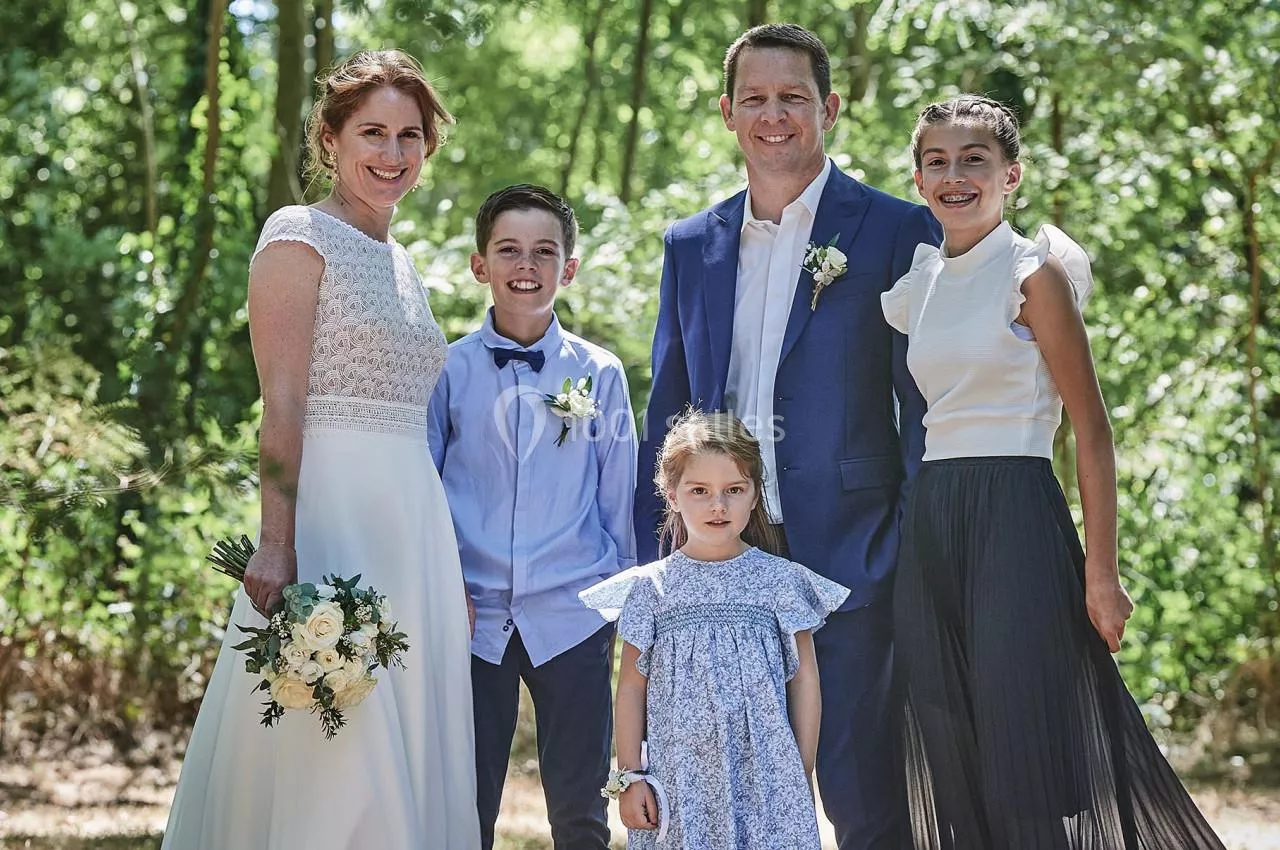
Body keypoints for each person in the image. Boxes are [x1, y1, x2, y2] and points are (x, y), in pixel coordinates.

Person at [883, 94, 1226, 849]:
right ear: (918, 179)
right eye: (937, 162)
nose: (955, 176)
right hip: (933, 516)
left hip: (1015, 512)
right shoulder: (921, 281)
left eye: (974, 160)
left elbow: (1092, 430)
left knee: (1022, 749)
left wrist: (1101, 574)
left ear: (1012, 175)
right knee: (951, 738)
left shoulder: (1033, 275)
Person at [162, 50, 480, 850]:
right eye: (373, 132)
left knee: (404, 729)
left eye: (410, 135)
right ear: (329, 139)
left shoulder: (405, 264)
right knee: (333, 738)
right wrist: (277, 542)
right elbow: (284, 403)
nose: (393, 153)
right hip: (331, 522)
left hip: (413, 532)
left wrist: (448, 568)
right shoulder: (297, 237)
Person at [633, 22, 940, 849]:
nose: (774, 116)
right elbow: (669, 405)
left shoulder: (894, 229)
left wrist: (906, 538)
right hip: (720, 550)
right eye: (756, 99)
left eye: (793, 98)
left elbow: (922, 405)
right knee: (720, 791)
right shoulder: (690, 244)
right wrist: (659, 552)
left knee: (860, 792)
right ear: (728, 112)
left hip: (851, 549)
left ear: (828, 109)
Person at [427, 184, 637, 850]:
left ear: (568, 268)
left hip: (573, 613)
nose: (526, 265)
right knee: (464, 808)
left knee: (581, 811)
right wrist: (438, 587)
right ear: (479, 265)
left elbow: (619, 497)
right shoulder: (446, 371)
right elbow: (423, 490)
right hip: (470, 617)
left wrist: (619, 603)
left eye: (544, 252)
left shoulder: (600, 373)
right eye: (509, 250)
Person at [582, 410, 848, 850]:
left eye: (734, 490)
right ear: (672, 495)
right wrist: (630, 776)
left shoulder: (781, 582)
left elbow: (804, 679)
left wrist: (798, 769)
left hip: (767, 781)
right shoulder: (652, 589)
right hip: (680, 781)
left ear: (755, 494)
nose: (718, 505)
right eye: (700, 491)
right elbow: (630, 688)